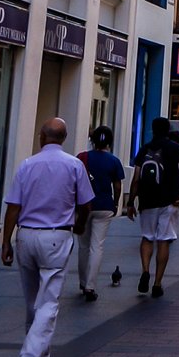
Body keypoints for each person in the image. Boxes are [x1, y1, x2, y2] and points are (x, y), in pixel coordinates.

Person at [1, 118, 93, 357]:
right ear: (63, 138)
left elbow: (13, 207)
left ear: (42, 137)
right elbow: (86, 203)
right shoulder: (74, 165)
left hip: (27, 235)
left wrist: (6, 240)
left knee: (32, 300)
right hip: (56, 235)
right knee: (49, 302)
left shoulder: (27, 165)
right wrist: (79, 224)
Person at [124, 116, 179, 294]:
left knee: (147, 237)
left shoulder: (145, 149)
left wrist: (131, 202)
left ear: (152, 129)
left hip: (147, 200)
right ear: (168, 129)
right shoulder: (175, 148)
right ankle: (157, 283)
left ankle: (145, 270)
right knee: (164, 240)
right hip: (170, 200)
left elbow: (136, 178)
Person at [77, 126, 126, 301]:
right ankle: (91, 285)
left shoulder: (82, 158)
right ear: (110, 142)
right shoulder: (113, 161)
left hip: (84, 205)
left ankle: (82, 282)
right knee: (97, 246)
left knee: (83, 246)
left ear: (93, 140)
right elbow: (118, 185)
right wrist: (115, 203)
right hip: (104, 205)